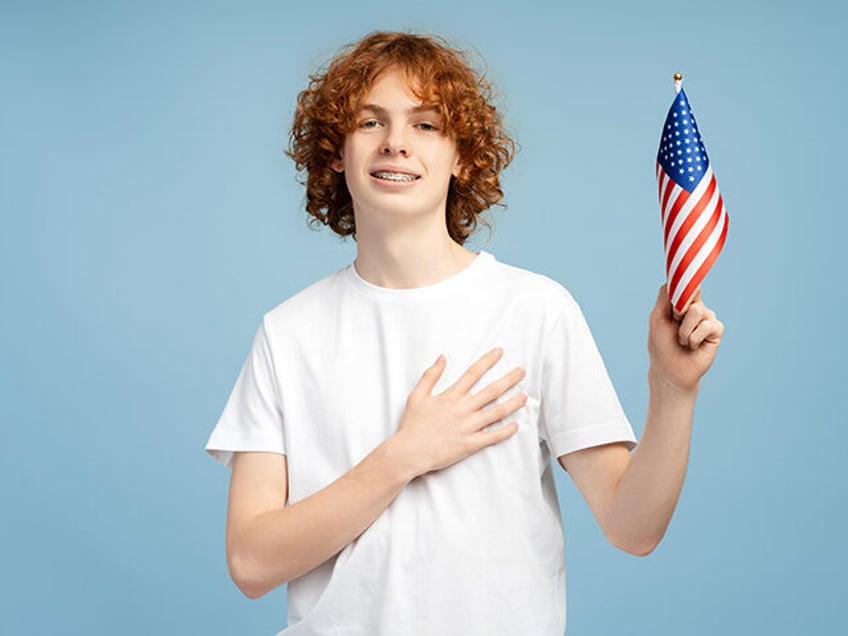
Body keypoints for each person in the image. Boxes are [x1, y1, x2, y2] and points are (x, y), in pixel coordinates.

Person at [205, 31, 724, 636]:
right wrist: (404, 455)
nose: (396, 143)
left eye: (426, 125)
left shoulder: (536, 309)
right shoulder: (288, 334)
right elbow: (250, 561)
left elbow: (633, 529)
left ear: (462, 158)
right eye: (371, 122)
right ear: (336, 152)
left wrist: (672, 390)